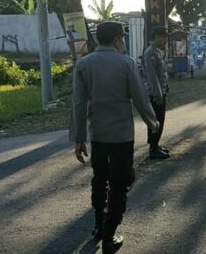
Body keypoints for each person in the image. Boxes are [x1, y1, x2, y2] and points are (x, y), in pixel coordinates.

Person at [70, 21, 159, 254]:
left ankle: (99, 227)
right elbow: (139, 97)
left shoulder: (83, 64)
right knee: (120, 183)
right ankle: (110, 237)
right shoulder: (126, 63)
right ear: (118, 40)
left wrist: (79, 138)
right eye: (123, 39)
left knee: (100, 179)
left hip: (97, 135)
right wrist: (153, 121)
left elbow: (78, 104)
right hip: (121, 136)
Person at [143, 26, 171, 160]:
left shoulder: (158, 51)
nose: (165, 39)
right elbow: (151, 76)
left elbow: (162, 74)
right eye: (163, 37)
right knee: (155, 121)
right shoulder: (150, 53)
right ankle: (153, 148)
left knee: (160, 119)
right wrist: (158, 94)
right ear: (157, 37)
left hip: (161, 91)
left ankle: (156, 144)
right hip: (155, 94)